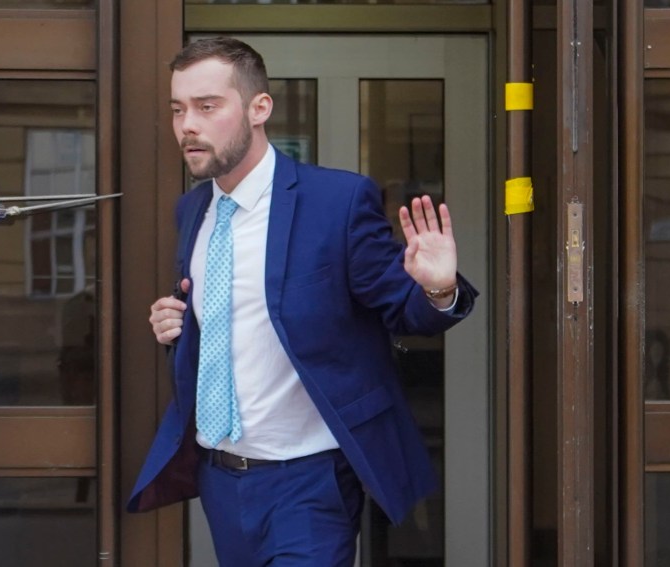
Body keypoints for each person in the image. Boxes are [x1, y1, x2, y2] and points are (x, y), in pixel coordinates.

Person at [127, 36, 479, 566]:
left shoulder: (336, 202)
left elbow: (403, 311)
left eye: (207, 106)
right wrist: (175, 325)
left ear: (259, 107)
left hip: (311, 482)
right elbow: (231, 318)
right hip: (223, 478)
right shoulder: (192, 211)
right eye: (178, 110)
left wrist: (437, 287)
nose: (187, 125)